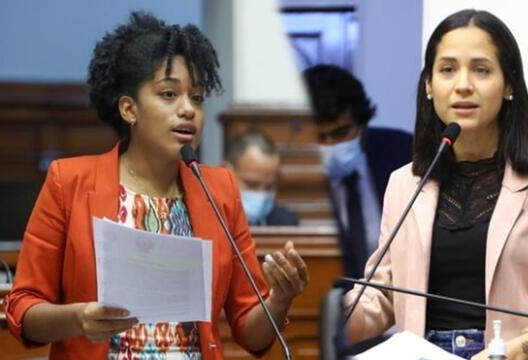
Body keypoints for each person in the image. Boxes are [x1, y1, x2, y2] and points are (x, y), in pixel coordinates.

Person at [4, 12, 309, 359]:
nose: (188, 110)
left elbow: (250, 333)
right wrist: (78, 317)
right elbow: (23, 310)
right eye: (168, 94)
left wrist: (280, 298)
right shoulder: (69, 181)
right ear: (129, 109)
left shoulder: (219, 189)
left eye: (197, 97)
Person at [343, 9, 528, 360]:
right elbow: (382, 295)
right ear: (428, 85)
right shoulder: (404, 183)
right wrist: (330, 315)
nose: (463, 84)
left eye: (481, 70)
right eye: (447, 69)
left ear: (510, 85)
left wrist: (515, 351)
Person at [303, 65, 413, 279]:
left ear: (362, 125)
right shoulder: (293, 180)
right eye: (319, 137)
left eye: (341, 132)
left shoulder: (404, 152)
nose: (330, 144)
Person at [222, 130, 299, 226]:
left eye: (269, 187)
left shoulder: (286, 222)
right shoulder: (207, 218)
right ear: (224, 172)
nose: (261, 195)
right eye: (252, 185)